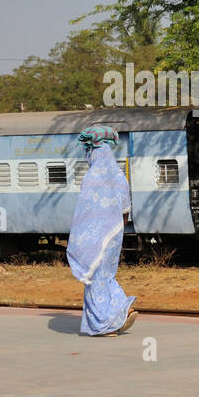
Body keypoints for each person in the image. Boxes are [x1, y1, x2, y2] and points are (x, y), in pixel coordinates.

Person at [67, 125, 138, 336]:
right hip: (115, 234)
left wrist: (82, 237)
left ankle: (105, 324)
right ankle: (123, 309)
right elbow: (126, 211)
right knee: (107, 275)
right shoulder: (119, 177)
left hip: (95, 237)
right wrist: (115, 229)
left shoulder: (91, 179)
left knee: (94, 278)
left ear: (92, 152)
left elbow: (84, 214)